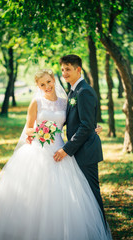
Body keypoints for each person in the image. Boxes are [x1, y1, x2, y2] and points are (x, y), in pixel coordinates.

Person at [0, 69, 112, 240]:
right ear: (38, 86)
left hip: (61, 151)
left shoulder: (65, 102)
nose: (47, 86)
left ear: (54, 80)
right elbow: (28, 129)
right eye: (42, 84)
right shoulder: (36, 102)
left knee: (64, 195)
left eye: (48, 82)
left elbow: (78, 121)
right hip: (39, 151)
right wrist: (41, 131)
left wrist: (94, 127)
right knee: (37, 192)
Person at [53, 54, 106, 222]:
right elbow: (85, 120)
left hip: (86, 151)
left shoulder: (84, 92)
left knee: (92, 193)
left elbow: (85, 125)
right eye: (62, 70)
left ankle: (101, 230)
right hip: (80, 149)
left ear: (78, 70)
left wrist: (66, 149)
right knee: (84, 196)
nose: (64, 73)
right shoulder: (74, 90)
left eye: (68, 69)